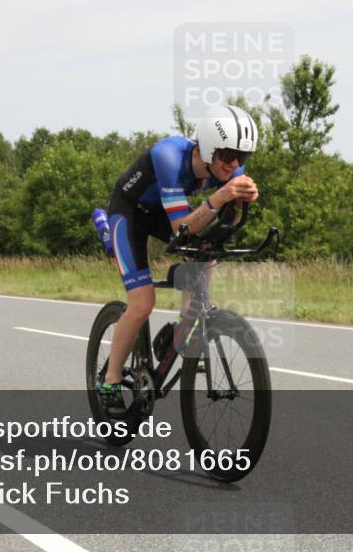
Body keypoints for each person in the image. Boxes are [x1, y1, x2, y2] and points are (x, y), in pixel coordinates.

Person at [97, 104, 260, 417]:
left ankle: (185, 327)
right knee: (143, 302)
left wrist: (241, 203)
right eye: (227, 155)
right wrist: (220, 198)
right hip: (131, 213)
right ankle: (110, 380)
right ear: (209, 146)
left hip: (167, 212)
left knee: (208, 250)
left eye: (242, 157)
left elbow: (222, 224)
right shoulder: (169, 156)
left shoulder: (230, 170)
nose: (234, 164)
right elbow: (179, 229)